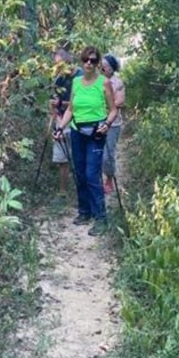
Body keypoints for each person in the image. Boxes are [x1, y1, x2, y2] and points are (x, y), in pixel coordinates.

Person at [54, 45, 117, 236]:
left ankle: (101, 218)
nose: (89, 63)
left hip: (96, 132)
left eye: (94, 60)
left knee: (91, 174)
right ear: (82, 61)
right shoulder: (77, 82)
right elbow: (71, 109)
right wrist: (60, 127)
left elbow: (113, 109)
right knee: (79, 173)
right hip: (77, 131)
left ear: (98, 64)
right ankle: (84, 211)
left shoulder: (104, 83)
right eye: (86, 60)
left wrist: (107, 124)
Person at [49, 47, 76, 195]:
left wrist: (61, 105)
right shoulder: (58, 79)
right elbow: (52, 100)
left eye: (60, 65)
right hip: (60, 120)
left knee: (78, 155)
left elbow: (78, 103)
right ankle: (63, 190)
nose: (58, 68)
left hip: (78, 121)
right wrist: (55, 116)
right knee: (62, 158)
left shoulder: (80, 77)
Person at [101, 53, 125, 195]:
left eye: (106, 66)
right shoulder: (96, 81)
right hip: (95, 121)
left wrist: (106, 105)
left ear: (112, 68)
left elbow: (120, 102)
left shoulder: (118, 83)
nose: (103, 68)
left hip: (113, 124)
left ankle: (109, 178)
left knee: (108, 154)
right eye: (101, 66)